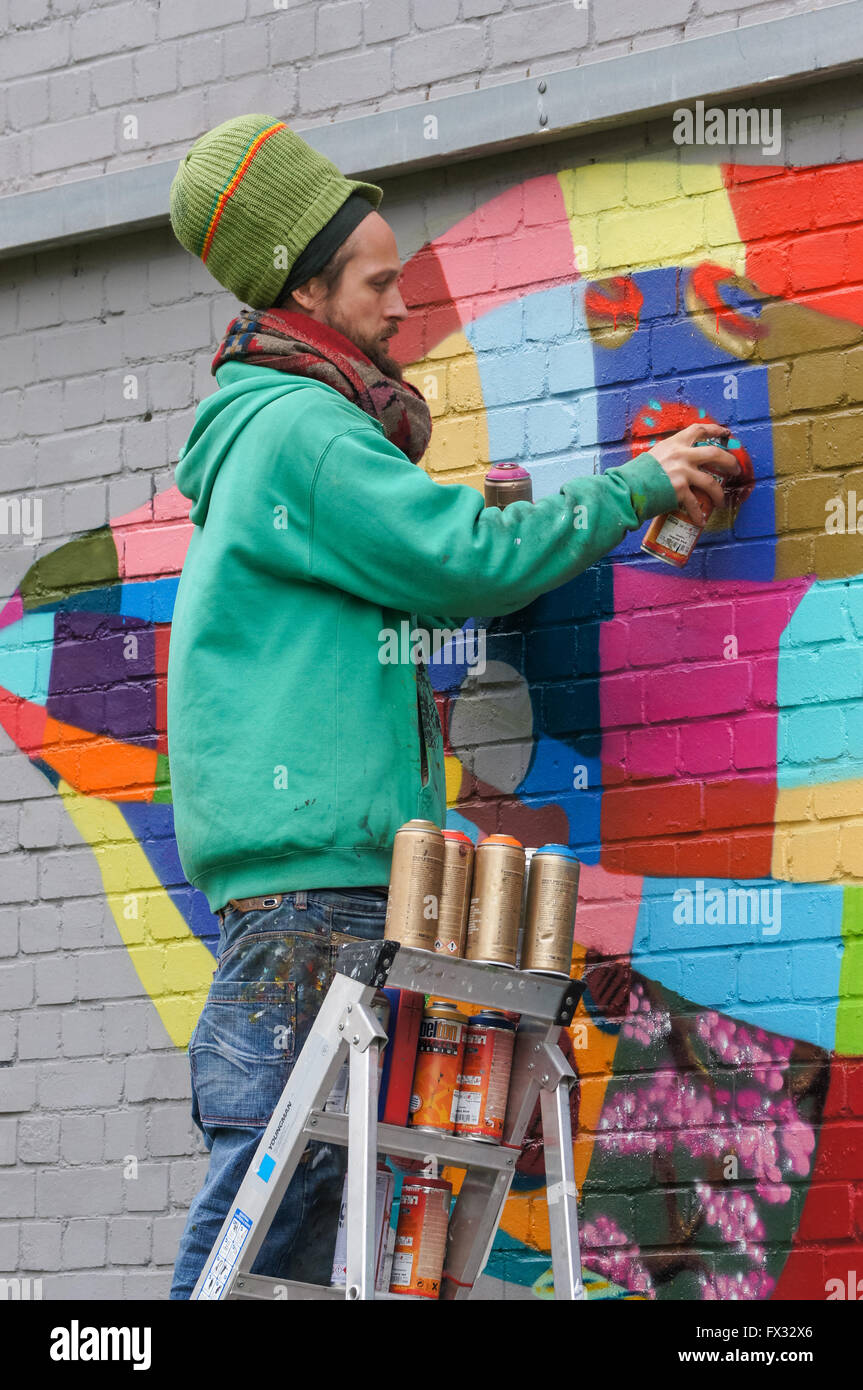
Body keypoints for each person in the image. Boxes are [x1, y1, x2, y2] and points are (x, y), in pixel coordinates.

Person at [164, 114, 741, 1298]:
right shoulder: (303, 433)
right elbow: (462, 558)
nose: (398, 308)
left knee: (298, 1229)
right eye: (377, 283)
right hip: (317, 888)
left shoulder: (287, 436)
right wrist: (635, 483)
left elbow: (426, 552)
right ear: (306, 289)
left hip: (307, 879)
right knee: (266, 1218)